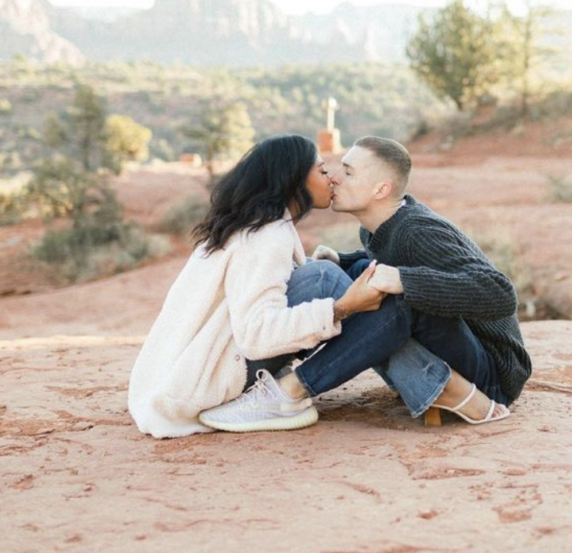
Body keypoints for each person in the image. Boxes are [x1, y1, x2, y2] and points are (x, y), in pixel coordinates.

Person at [198, 136, 531, 431]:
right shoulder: (380, 225)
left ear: (380, 189)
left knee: (389, 294)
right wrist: (342, 261)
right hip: (464, 351)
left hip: (493, 374)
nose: (334, 177)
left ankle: (292, 390)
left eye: (348, 171)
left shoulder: (417, 231)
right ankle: (432, 383)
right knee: (363, 273)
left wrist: (403, 280)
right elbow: (385, 258)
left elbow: (500, 293)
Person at [127, 134, 387, 438]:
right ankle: (430, 389)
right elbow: (257, 335)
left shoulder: (259, 224)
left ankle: (429, 386)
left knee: (333, 271)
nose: (330, 178)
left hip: (191, 372)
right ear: (293, 180)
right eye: (321, 170)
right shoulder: (266, 236)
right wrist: (341, 307)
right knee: (325, 279)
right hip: (208, 380)